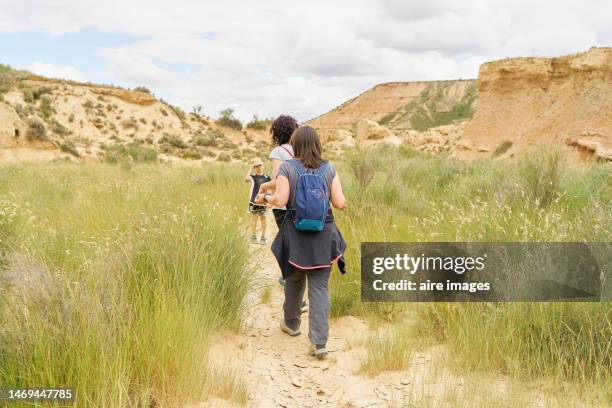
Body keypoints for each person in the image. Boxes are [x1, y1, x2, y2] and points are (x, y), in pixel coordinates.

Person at [256, 125, 347, 359]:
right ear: (318, 144)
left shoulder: (288, 167)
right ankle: (319, 343)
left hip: (295, 232)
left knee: (294, 277)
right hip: (323, 233)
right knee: (319, 286)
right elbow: (340, 202)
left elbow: (281, 200)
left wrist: (266, 197)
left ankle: (292, 323)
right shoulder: (329, 168)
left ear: (295, 145)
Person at [245, 158, 271, 244]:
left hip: (263, 202)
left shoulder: (267, 177)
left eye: (260, 165)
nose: (258, 167)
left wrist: (269, 202)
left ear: (263, 166)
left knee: (263, 219)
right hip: (254, 201)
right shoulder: (253, 177)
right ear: (254, 168)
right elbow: (246, 179)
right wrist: (250, 167)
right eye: (256, 166)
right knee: (254, 219)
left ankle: (263, 237)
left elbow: (269, 190)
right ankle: (253, 237)